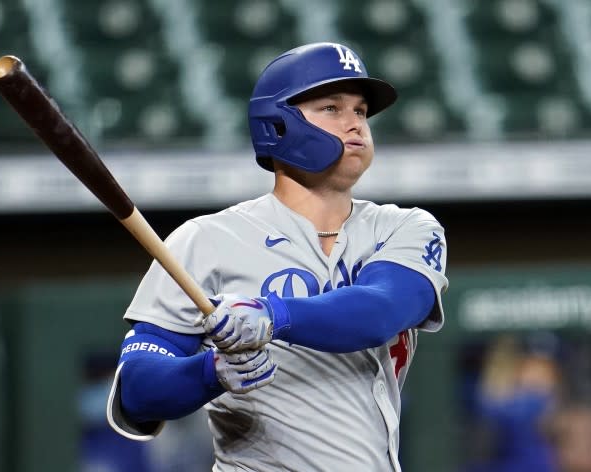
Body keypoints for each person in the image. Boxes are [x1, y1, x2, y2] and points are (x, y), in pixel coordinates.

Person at [106, 42, 449, 471]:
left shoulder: (404, 227)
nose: (355, 124)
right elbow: (138, 393)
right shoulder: (206, 240)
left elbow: (381, 310)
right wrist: (212, 372)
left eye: (360, 111)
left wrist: (270, 314)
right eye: (331, 108)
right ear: (278, 125)